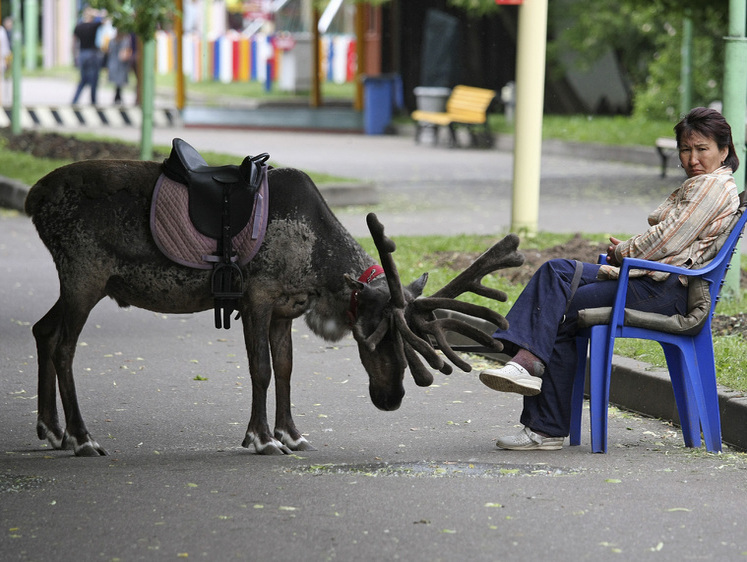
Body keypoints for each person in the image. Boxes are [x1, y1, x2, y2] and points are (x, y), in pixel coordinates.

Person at [479, 107, 741, 451]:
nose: (692, 158)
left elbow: (666, 241)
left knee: (559, 308)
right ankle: (525, 366)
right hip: (649, 281)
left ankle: (542, 420)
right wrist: (630, 254)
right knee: (555, 271)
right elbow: (668, 241)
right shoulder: (706, 184)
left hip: (664, 292)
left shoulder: (712, 187)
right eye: (686, 149)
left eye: (702, 148)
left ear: (723, 150)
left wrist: (623, 252)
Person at [72, 7, 105, 105]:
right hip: (92, 53)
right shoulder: (94, 25)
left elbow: (73, 43)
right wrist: (97, 13)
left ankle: (75, 100)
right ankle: (93, 101)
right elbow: (105, 18)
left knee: (83, 79)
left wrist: (75, 56)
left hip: (82, 53)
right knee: (94, 78)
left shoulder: (79, 26)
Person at [106, 29, 132, 104]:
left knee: (119, 80)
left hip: (117, 62)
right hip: (116, 62)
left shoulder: (122, 40)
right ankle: (117, 96)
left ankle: (118, 96)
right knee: (118, 80)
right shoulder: (120, 40)